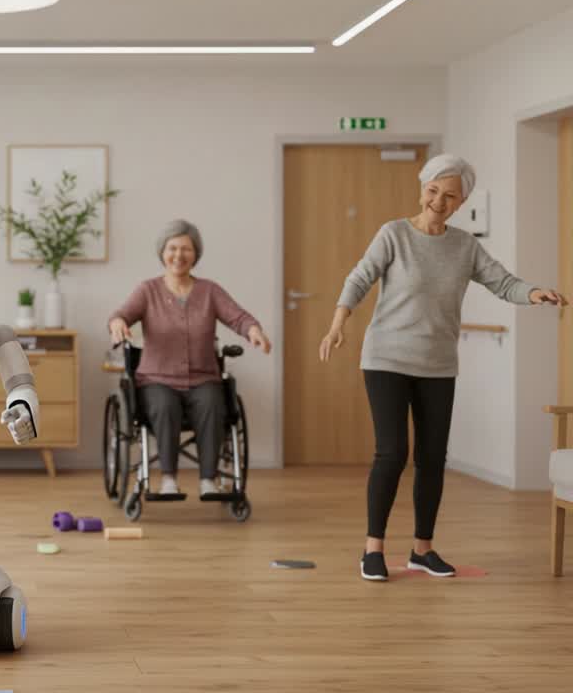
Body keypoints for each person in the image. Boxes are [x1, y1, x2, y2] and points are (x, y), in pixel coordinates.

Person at [319, 153, 567, 582]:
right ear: (422, 189)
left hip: (437, 363)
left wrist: (535, 293)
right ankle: (372, 549)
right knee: (392, 451)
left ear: (461, 201)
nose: (439, 200)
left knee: (433, 458)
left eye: (449, 195)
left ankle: (423, 549)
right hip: (386, 359)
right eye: (433, 191)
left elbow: (502, 281)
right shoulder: (393, 234)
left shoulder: (464, 246)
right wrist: (338, 323)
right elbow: (359, 277)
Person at [108, 219, 271, 497]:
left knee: (212, 403)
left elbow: (238, 317)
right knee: (165, 406)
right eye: (172, 248)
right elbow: (120, 314)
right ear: (162, 252)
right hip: (156, 379)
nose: (178, 255)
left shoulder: (210, 291)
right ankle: (168, 478)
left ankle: (208, 479)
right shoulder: (147, 290)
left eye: (186, 249)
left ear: (196, 254)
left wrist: (254, 330)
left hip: (202, 377)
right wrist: (117, 325)